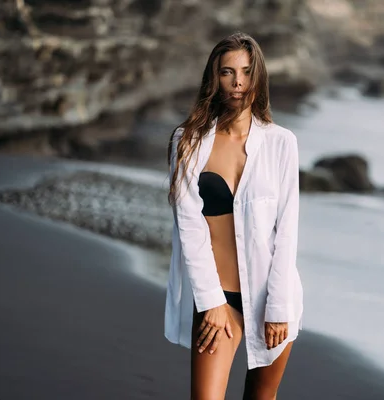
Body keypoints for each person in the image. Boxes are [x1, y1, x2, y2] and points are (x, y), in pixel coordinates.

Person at [164, 32, 304, 399]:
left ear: (258, 77)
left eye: (245, 71)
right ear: (215, 78)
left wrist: (278, 306)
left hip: (270, 297)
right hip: (218, 298)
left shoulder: (281, 143)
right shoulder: (189, 141)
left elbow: (287, 230)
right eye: (227, 72)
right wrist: (210, 301)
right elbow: (190, 227)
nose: (238, 81)